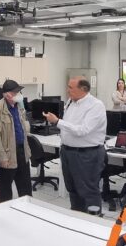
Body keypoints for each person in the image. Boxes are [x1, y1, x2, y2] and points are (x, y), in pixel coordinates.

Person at [44, 76, 107, 214]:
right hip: (68, 152)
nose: (67, 90)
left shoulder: (95, 105)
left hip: (86, 154)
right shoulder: (71, 102)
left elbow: (82, 130)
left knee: (88, 191)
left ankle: (92, 222)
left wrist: (57, 122)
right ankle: (77, 217)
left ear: (83, 89)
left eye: (70, 88)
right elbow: (69, 125)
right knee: (72, 189)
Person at [0, 80, 33, 202]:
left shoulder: (19, 106)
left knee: (25, 187)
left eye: (19, 91)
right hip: (8, 154)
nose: (18, 94)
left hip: (21, 151)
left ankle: (26, 209)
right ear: (6, 94)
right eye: (15, 92)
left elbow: (24, 130)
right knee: (5, 190)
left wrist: (27, 150)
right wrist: (2, 157)